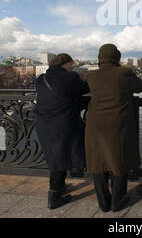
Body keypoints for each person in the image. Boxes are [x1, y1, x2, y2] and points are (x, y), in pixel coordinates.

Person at [85, 44, 142, 212]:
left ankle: (103, 203)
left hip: (95, 125)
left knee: (98, 163)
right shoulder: (123, 73)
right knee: (118, 160)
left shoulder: (91, 76)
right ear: (117, 58)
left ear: (99, 58)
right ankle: (118, 202)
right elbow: (140, 87)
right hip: (117, 124)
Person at [35, 53, 90, 209]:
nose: (72, 67)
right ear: (64, 63)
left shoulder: (41, 78)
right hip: (62, 124)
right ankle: (54, 198)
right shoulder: (70, 77)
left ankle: (60, 187)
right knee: (61, 159)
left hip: (43, 123)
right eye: (71, 64)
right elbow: (85, 88)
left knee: (55, 156)